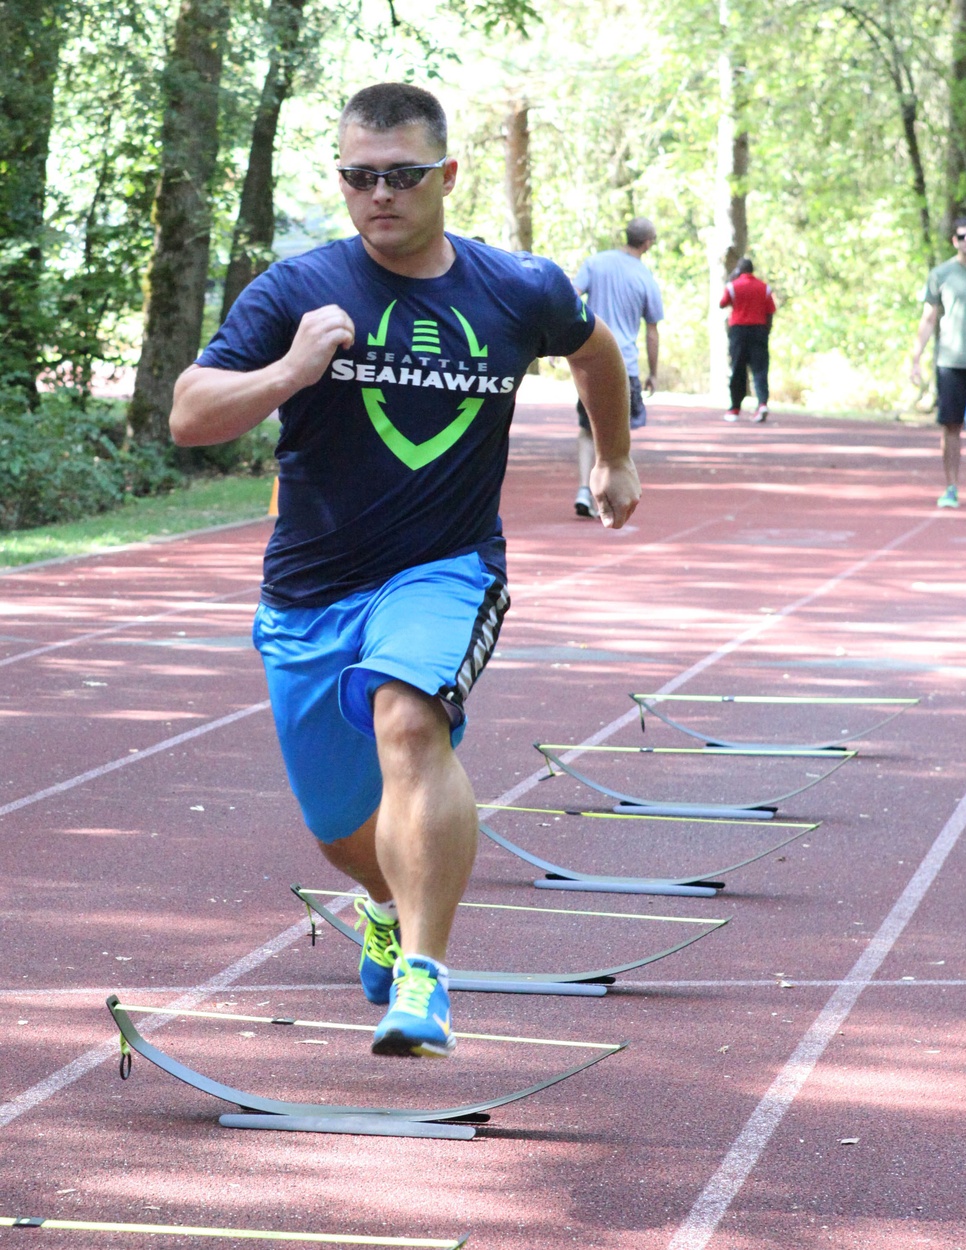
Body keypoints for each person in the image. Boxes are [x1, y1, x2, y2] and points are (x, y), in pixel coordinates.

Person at [168, 83, 640, 1059]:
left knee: (407, 717)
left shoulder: (517, 289)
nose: (379, 193)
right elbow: (190, 414)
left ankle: (423, 975)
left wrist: (614, 454)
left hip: (445, 567)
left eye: (401, 175)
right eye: (358, 175)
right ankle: (385, 899)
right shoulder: (297, 290)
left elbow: (597, 354)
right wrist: (289, 372)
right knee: (342, 825)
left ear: (447, 176)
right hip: (307, 594)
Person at [572, 217, 662, 518]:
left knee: (587, 430)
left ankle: (585, 489)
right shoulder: (646, 278)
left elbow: (571, 297)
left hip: (590, 361)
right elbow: (652, 330)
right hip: (625, 364)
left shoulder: (595, 263)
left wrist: (565, 342)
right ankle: (610, 495)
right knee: (617, 436)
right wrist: (653, 371)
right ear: (647, 243)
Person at [912, 215, 966, 508]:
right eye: (961, 236)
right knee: (950, 425)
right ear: (954, 240)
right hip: (951, 362)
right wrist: (915, 356)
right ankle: (951, 487)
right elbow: (928, 318)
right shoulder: (941, 274)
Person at [720, 258, 775, 423]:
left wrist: (731, 279)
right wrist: (767, 331)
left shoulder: (732, 286)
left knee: (738, 369)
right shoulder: (764, 288)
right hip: (759, 330)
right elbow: (770, 311)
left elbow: (722, 303)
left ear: (739, 270)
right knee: (760, 369)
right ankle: (762, 403)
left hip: (739, 331)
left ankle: (735, 407)